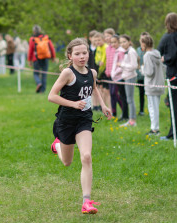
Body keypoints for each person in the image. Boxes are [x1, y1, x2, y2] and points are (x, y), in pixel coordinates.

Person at [48, 38, 112, 214]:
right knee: (67, 162)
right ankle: (57, 146)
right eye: (77, 54)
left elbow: (93, 88)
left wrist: (104, 105)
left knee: (86, 156)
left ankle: (86, 202)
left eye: (84, 53)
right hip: (67, 121)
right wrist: (73, 103)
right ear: (70, 55)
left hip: (84, 119)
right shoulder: (67, 74)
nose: (82, 56)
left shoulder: (92, 72)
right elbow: (51, 96)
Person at [158, 12, 177, 140]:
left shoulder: (171, 37)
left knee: (175, 104)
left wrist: (164, 58)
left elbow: (172, 55)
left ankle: (174, 133)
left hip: (176, 74)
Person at [141, 35, 165, 135]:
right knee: (155, 107)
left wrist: (142, 69)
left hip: (151, 85)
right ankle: (155, 128)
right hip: (159, 84)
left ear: (144, 44)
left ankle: (155, 129)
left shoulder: (147, 55)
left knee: (152, 108)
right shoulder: (157, 53)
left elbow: (149, 72)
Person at [28, 25, 56, 93]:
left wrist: (29, 60)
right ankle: (42, 91)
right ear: (40, 30)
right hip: (46, 58)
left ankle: (39, 83)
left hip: (36, 59)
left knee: (36, 73)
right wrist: (53, 57)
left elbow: (30, 50)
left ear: (33, 31)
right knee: (44, 74)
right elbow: (51, 48)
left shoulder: (32, 39)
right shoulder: (46, 37)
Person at [119, 34, 138, 127]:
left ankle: (132, 121)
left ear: (129, 42)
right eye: (121, 42)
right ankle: (131, 120)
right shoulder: (127, 51)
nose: (122, 44)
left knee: (130, 99)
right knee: (129, 99)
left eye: (124, 42)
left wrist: (122, 65)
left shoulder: (131, 51)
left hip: (130, 77)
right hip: (126, 77)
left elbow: (134, 66)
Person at [110, 34, 128, 121]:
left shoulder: (121, 51)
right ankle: (124, 115)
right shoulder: (117, 51)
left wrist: (114, 73)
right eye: (111, 42)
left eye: (115, 42)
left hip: (121, 77)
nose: (113, 44)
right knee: (121, 96)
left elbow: (121, 65)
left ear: (118, 42)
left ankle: (125, 115)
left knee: (123, 96)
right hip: (116, 77)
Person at [105, 28, 122, 118]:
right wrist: (107, 71)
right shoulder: (107, 49)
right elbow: (108, 61)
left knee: (114, 93)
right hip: (109, 74)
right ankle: (114, 112)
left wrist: (114, 72)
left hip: (116, 75)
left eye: (108, 36)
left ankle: (123, 109)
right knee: (112, 94)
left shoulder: (116, 49)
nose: (107, 38)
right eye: (106, 36)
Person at [94, 32, 111, 111]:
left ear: (103, 40)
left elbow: (105, 57)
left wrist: (102, 62)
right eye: (96, 41)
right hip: (100, 70)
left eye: (99, 40)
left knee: (106, 91)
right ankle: (103, 107)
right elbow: (97, 58)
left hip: (105, 70)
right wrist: (98, 62)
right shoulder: (98, 48)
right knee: (101, 89)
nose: (98, 42)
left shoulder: (106, 47)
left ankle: (110, 108)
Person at [136, 32, 150, 116]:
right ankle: (141, 110)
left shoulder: (149, 50)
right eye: (141, 39)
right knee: (141, 93)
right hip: (140, 75)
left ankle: (150, 109)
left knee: (148, 93)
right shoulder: (138, 49)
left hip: (147, 75)